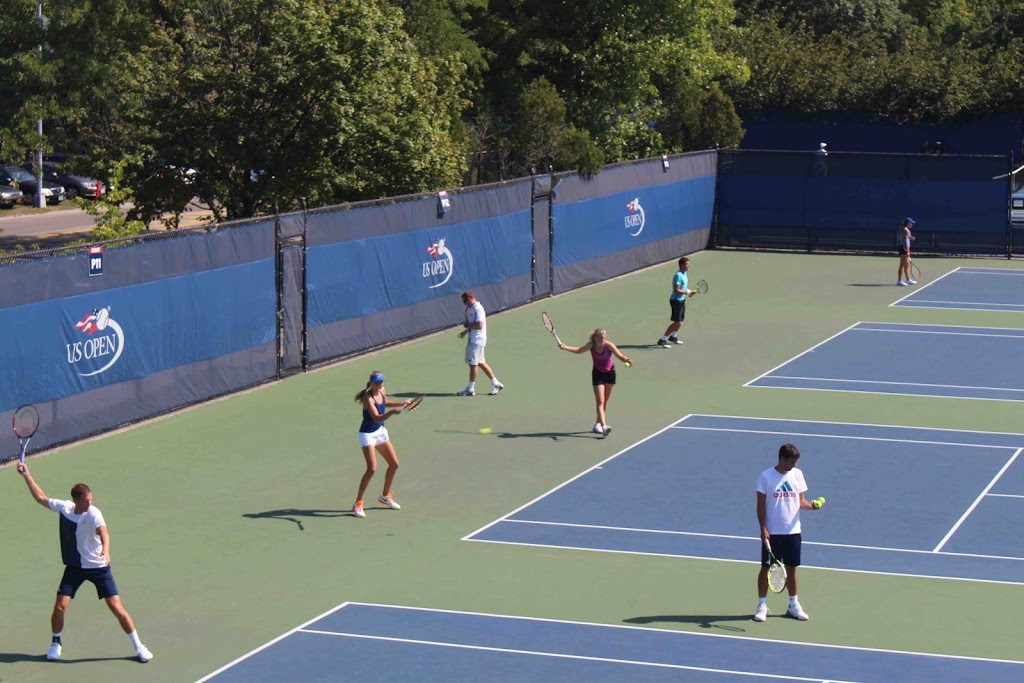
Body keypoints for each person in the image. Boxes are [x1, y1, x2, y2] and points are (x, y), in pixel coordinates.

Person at [15, 462, 153, 662]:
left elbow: (104, 532)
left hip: (99, 568)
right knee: (60, 606)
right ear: (76, 501)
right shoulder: (65, 509)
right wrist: (26, 474)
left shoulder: (94, 513)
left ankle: (139, 646)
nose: (90, 504)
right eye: (86, 501)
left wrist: (106, 550)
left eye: (91, 499)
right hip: (75, 568)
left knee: (116, 607)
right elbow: (41, 498)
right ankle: (56, 642)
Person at [753, 443, 821, 623]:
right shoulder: (765, 477)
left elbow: (801, 502)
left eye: (795, 462)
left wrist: (812, 506)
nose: (793, 465)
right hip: (772, 533)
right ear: (781, 459)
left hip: (793, 532)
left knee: (791, 569)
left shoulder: (797, 475)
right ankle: (762, 605)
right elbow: (760, 506)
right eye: (791, 462)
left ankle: (793, 605)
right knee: (766, 569)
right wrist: (763, 528)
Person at [353, 370, 410, 518]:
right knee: (372, 468)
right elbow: (377, 417)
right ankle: (358, 503)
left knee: (394, 464)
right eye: (377, 383)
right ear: (371, 383)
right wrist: (392, 412)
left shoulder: (382, 390)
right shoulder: (368, 398)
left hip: (380, 432)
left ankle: (385, 496)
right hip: (367, 435)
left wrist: (401, 403)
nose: (380, 385)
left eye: (381, 382)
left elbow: (385, 403)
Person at [558, 328, 632, 436]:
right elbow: (579, 350)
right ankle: (604, 426)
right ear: (595, 337)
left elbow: (620, 356)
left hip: (610, 374)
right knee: (600, 401)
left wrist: (627, 360)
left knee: (605, 401)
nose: (603, 339)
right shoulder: (591, 345)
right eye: (601, 337)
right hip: (598, 374)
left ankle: (597, 424)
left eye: (604, 337)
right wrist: (565, 347)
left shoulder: (609, 345)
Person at [456, 291, 504, 396]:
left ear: (469, 299)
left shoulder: (478, 309)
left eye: (464, 301)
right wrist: (465, 332)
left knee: (473, 365)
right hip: (475, 339)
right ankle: (495, 383)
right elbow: (473, 326)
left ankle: (470, 389)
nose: (464, 304)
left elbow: (479, 326)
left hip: (476, 340)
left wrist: (467, 325)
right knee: (481, 363)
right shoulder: (470, 309)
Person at [657, 256, 699, 348]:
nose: (689, 266)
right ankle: (663, 339)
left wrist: (689, 292)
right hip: (676, 301)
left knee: (680, 321)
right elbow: (676, 290)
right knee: (677, 322)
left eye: (689, 264)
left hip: (681, 300)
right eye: (687, 264)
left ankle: (673, 337)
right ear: (681, 265)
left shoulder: (684, 274)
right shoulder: (678, 275)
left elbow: (683, 288)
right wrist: (688, 292)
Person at [897, 217, 916, 286]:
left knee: (906, 264)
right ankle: (899, 281)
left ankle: (908, 279)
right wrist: (907, 250)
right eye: (911, 223)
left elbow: (908, 237)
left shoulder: (906, 229)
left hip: (905, 248)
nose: (912, 224)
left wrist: (911, 238)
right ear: (907, 223)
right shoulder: (905, 230)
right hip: (904, 248)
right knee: (902, 264)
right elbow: (905, 240)